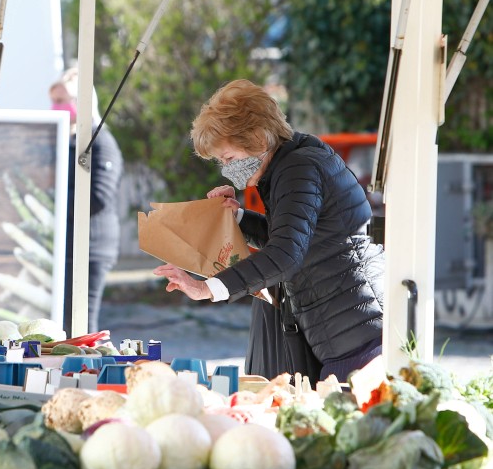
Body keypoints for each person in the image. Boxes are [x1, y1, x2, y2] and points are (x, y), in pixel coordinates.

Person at [154, 79, 385, 382]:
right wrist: (237, 217)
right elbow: (296, 236)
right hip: (350, 325)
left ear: (258, 140)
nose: (226, 169)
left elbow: (286, 253)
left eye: (229, 159)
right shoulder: (293, 162)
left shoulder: (297, 169)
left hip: (355, 332)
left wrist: (206, 289)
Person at [50, 69, 124, 333]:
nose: (55, 107)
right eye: (54, 100)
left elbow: (99, 196)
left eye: (62, 100)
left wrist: (54, 201)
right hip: (67, 246)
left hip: (91, 247)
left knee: (81, 322)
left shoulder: (101, 141)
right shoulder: (66, 140)